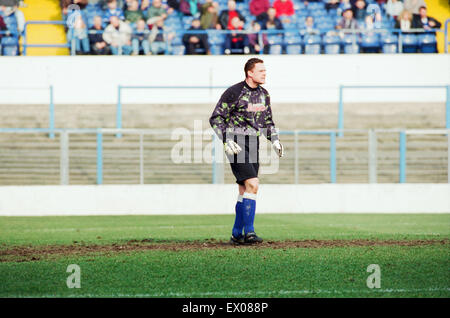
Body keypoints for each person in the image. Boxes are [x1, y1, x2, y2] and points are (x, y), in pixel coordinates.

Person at [209, 58, 284, 245]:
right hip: (236, 142)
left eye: (265, 70)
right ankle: (249, 233)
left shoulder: (264, 94)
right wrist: (226, 139)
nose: (264, 74)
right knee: (253, 183)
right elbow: (216, 118)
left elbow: (267, 122)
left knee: (245, 188)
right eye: (261, 71)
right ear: (250, 73)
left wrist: (274, 140)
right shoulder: (234, 92)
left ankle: (236, 234)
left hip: (254, 142)